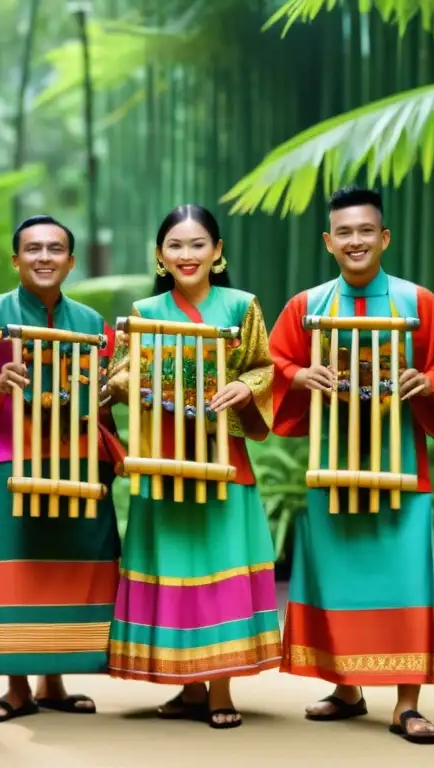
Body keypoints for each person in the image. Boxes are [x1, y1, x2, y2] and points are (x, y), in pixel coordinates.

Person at [268, 186, 434, 743]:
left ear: (385, 237)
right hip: (331, 466)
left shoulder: (418, 302)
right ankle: (347, 687)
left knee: (405, 582)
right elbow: (277, 361)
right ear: (329, 241)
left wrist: (426, 381)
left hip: (401, 466)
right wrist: (300, 376)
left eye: (365, 231)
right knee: (337, 582)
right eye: (344, 233)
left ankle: (406, 704)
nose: (356, 241)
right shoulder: (306, 306)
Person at [0, 215, 123, 723]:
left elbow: (110, 388)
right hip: (8, 461)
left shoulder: (90, 322)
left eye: (56, 248)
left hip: (76, 459)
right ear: (15, 259)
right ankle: (16, 688)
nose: (45, 257)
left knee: (65, 570)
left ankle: (54, 682)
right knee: (14, 572)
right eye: (34, 248)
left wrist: (112, 420)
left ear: (72, 260)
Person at [103, 204, 280, 729]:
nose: (187, 255)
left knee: (217, 567)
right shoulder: (144, 311)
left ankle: (220, 688)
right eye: (175, 246)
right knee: (174, 569)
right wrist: (126, 381)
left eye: (198, 244)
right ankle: (187, 684)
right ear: (160, 255)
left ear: (218, 251)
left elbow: (262, 368)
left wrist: (243, 388)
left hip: (223, 457)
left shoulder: (242, 307)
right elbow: (120, 372)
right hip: (163, 456)